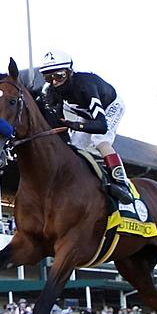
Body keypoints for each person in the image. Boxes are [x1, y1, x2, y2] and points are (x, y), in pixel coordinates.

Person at [37, 50, 135, 205]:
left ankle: (121, 182)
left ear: (70, 72)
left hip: (110, 106)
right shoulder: (49, 91)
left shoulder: (85, 86)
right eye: (48, 77)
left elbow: (101, 125)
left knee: (99, 139)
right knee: (74, 146)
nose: (54, 81)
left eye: (59, 76)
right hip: (84, 111)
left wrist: (75, 125)